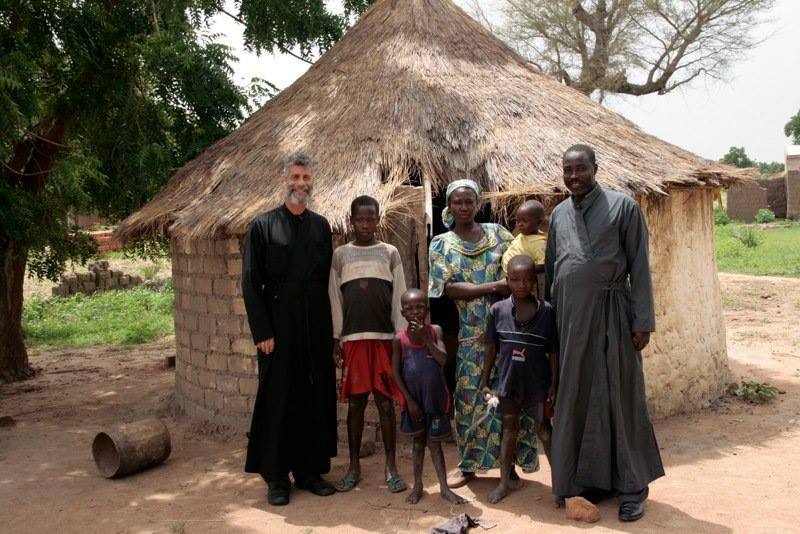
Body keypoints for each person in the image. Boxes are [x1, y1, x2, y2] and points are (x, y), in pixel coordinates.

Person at [545, 144, 664, 522]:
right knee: (578, 396)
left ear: (596, 168)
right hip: (571, 321)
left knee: (620, 394)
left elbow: (639, 267)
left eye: (581, 169)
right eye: (568, 170)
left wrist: (642, 320)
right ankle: (592, 479)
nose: (574, 176)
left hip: (613, 315)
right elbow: (552, 270)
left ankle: (633, 487)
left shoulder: (622, 206)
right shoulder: (559, 214)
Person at [428, 179, 539, 488]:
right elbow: (447, 289)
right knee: (469, 399)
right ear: (449, 206)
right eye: (457, 202)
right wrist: (492, 287)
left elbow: (520, 269)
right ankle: (469, 465)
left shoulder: (498, 235)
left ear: (477, 204)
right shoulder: (441, 244)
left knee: (508, 397)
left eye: (469, 202)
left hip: (508, 332)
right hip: (471, 335)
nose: (463, 207)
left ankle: (510, 465)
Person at [241, 152, 337, 506]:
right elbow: (251, 282)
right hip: (277, 326)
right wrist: (262, 331)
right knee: (278, 397)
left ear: (312, 182)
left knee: (313, 396)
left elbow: (325, 279)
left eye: (306, 177)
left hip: (314, 324)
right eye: (295, 177)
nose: (301, 183)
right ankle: (277, 476)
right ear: (284, 181)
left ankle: (310, 471)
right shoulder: (262, 226)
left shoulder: (321, 226)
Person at [328, 195, 407, 494]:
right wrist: (337, 337)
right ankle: (353, 467)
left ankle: (391, 467)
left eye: (370, 218)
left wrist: (399, 337)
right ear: (351, 221)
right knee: (357, 404)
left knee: (386, 403)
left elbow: (399, 292)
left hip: (384, 339)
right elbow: (334, 298)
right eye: (359, 219)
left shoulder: (390, 253)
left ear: (378, 219)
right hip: (353, 341)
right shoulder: (340, 256)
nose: (365, 224)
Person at [480, 255, 558, 504]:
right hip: (508, 383)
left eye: (527, 280)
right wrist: (486, 381)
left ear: (535, 282)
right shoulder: (498, 311)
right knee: (509, 430)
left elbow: (554, 352)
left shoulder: (547, 312)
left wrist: (555, 383)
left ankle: (560, 486)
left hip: (537, 384)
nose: (521, 285)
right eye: (515, 280)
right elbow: (491, 348)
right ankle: (504, 482)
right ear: (507, 280)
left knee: (544, 431)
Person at [391, 289, 467, 505]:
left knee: (435, 444)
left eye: (420, 307)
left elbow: (443, 359)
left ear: (427, 308)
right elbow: (395, 372)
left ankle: (444, 487)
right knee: (418, 443)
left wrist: (426, 339)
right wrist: (409, 399)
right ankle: (418, 486)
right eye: (410, 308)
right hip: (414, 401)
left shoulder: (435, 331)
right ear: (403, 312)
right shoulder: (399, 339)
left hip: (434, 399)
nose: (415, 312)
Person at [501, 199, 547, 276]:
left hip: (516, 278)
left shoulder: (540, 244)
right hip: (504, 272)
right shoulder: (524, 234)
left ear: (539, 222)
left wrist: (524, 270)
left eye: (524, 221)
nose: (520, 224)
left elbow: (543, 265)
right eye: (518, 221)